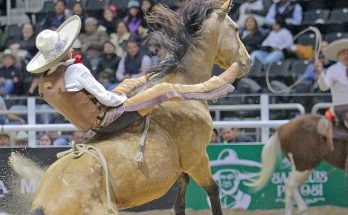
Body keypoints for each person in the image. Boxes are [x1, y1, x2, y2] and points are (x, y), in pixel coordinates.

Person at [26, 16, 239, 134]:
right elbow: (106, 98)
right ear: (65, 51)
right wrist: (124, 100)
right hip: (109, 118)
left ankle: (157, 73)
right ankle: (212, 87)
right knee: (164, 90)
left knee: (130, 82)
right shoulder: (75, 70)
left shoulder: (47, 81)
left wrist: (122, 93)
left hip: (91, 123)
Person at [315, 38, 348, 128]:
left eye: (347, 52)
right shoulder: (333, 70)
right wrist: (320, 73)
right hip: (340, 109)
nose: (346, 55)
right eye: (343, 53)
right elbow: (324, 87)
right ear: (338, 56)